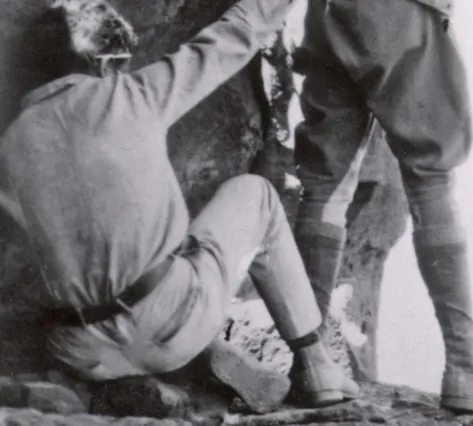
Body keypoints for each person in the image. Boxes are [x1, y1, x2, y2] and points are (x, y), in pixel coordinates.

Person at [0, 0, 359, 414]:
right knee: (255, 194)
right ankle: (317, 368)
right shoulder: (134, 94)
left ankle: (137, 384)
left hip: (81, 352)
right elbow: (234, 37)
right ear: (99, 62)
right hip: (174, 326)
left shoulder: (8, 150)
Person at [292, 0, 473, 416]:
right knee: (431, 175)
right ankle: (464, 366)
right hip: (402, 10)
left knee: (325, 185)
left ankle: (312, 364)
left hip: (328, 11)